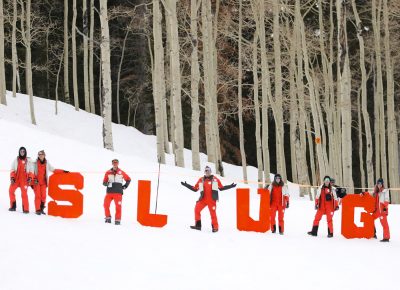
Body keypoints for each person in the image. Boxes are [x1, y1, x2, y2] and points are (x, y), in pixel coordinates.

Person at [181, 166, 236, 232]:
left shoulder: (215, 179)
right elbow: (195, 189)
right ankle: (198, 225)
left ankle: (215, 227)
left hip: (212, 200)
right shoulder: (201, 180)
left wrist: (230, 186)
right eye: (206, 171)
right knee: (196, 209)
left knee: (213, 214)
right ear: (204, 172)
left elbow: (221, 188)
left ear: (210, 171)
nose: (207, 172)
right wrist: (186, 185)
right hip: (203, 199)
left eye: (208, 171)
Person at [31, 150, 69, 215]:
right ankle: (38, 210)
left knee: (43, 196)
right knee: (38, 196)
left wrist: (63, 171)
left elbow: (53, 170)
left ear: (44, 155)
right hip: (36, 182)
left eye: (42, 154)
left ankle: (41, 208)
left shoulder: (47, 163)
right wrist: (34, 179)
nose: (40, 156)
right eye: (39, 154)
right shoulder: (34, 163)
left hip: (43, 183)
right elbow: (31, 172)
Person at [102, 159, 131, 225]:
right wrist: (106, 184)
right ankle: (108, 218)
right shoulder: (108, 172)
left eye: (116, 163)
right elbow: (104, 182)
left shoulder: (121, 172)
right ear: (112, 163)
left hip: (118, 193)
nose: (115, 164)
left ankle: (117, 220)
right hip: (109, 192)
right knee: (105, 205)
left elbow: (128, 179)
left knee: (118, 206)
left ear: (118, 164)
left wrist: (125, 186)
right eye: (114, 163)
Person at [9, 147, 33, 213]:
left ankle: (26, 209)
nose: (22, 152)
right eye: (21, 151)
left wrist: (30, 178)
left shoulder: (28, 161)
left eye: (23, 151)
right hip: (16, 179)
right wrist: (12, 178)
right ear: (19, 152)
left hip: (24, 180)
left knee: (24, 194)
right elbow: (12, 169)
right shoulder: (16, 160)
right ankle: (13, 206)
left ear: (25, 152)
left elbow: (31, 171)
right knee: (11, 190)